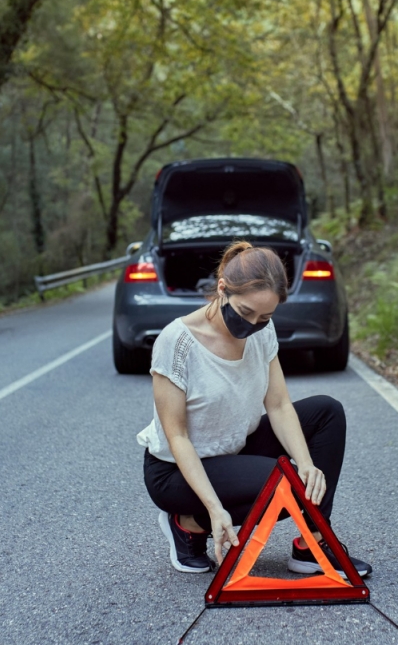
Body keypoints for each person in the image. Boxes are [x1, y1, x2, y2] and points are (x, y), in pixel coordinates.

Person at [138, 240, 372, 577]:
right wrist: (215, 510)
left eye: (265, 317)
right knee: (285, 485)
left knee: (326, 412)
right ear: (222, 289)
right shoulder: (177, 343)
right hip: (175, 470)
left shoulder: (262, 331)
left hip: (233, 447)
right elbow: (177, 436)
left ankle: (313, 542)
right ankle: (189, 523)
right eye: (246, 312)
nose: (253, 324)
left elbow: (277, 404)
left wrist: (307, 463)